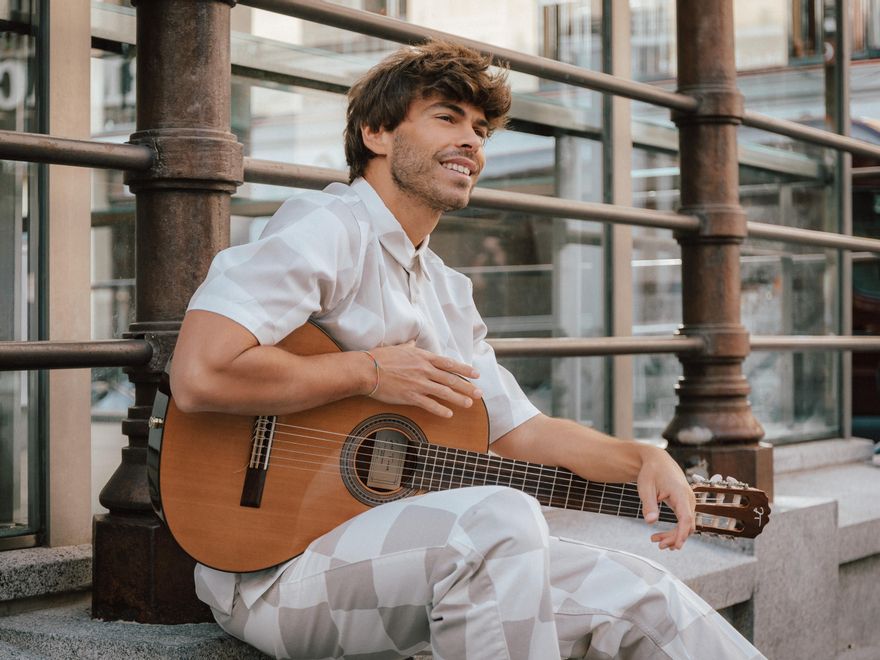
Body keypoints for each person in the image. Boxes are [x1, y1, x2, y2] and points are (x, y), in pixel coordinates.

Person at [170, 40, 765, 660]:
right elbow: (201, 374)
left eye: (480, 129)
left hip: (405, 560)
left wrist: (640, 459)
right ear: (376, 132)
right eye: (446, 117)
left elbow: (518, 432)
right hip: (273, 573)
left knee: (645, 593)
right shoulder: (326, 228)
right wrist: (368, 372)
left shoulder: (446, 292)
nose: (472, 142)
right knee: (500, 521)